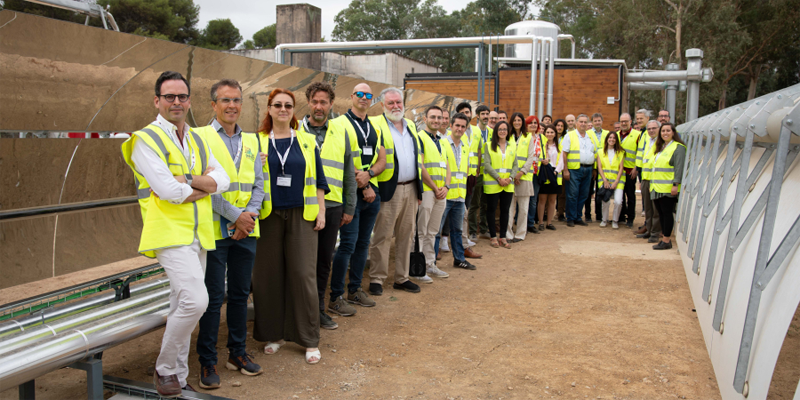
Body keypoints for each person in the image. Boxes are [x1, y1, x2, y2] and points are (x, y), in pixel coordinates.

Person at [121, 71, 230, 396]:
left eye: (182, 96)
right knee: (196, 301)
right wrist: (201, 185)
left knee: (181, 302)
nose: (177, 102)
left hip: (198, 232)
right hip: (169, 233)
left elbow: (222, 179)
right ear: (157, 101)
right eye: (169, 96)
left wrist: (188, 180)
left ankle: (178, 378)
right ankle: (166, 369)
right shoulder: (145, 140)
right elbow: (169, 191)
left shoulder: (196, 138)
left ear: (189, 100)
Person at [252, 88, 328, 365]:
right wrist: (254, 167)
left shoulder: (306, 141)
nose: (283, 109)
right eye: (277, 105)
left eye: (288, 105)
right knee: (267, 277)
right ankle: (274, 335)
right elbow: (242, 177)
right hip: (267, 216)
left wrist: (321, 211)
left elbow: (319, 180)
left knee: (302, 275)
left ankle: (309, 339)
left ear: (293, 110)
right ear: (269, 109)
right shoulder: (256, 142)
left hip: (302, 215)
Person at [195, 80, 263, 389]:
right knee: (212, 297)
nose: (232, 105)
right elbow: (204, 188)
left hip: (246, 230)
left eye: (236, 100)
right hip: (215, 230)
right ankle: (207, 360)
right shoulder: (200, 139)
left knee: (239, 294)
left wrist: (247, 217)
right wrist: (237, 217)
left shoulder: (251, 141)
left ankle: (237, 352)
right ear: (213, 105)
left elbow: (259, 184)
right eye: (225, 100)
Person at [302, 82, 363, 327]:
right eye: (315, 101)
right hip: (303, 206)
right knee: (301, 263)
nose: (319, 106)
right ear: (308, 102)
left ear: (331, 104)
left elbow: (350, 172)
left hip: (334, 205)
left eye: (323, 102)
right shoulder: (295, 130)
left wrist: (350, 207)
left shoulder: (342, 133)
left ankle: (317, 310)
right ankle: (300, 311)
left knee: (323, 262)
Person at [326, 83, 385, 317]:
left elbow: (383, 159)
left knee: (363, 244)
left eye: (368, 95)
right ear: (351, 97)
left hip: (372, 195)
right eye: (359, 94)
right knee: (347, 245)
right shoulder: (338, 124)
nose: (364, 97)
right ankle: (335, 296)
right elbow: (338, 157)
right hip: (350, 194)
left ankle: (355, 289)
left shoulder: (374, 126)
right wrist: (364, 184)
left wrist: (369, 176)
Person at [368, 87, 426, 294]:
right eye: (390, 103)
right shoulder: (375, 124)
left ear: (403, 103)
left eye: (398, 102)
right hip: (387, 190)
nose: (395, 106)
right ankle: (376, 278)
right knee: (382, 236)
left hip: (410, 188)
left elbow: (417, 158)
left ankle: (402, 277)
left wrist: (419, 191)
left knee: (406, 235)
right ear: (382, 105)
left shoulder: (410, 125)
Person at [434, 113, 478, 270]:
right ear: (450, 126)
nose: (460, 128)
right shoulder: (441, 143)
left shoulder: (466, 147)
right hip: (445, 194)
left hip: (460, 195)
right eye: (457, 125)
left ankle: (459, 259)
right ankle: (431, 262)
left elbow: (464, 171)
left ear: (466, 129)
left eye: (463, 126)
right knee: (437, 229)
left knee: (457, 230)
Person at [415, 105, 451, 282]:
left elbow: (448, 166)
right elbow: (420, 166)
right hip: (428, 191)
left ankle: (430, 263)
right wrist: (435, 188)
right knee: (421, 231)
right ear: (424, 118)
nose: (437, 120)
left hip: (441, 193)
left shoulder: (442, 141)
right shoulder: (420, 138)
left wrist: (446, 186)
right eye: (433, 117)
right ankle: (418, 268)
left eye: (439, 117)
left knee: (433, 231)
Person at [452, 103, 483, 259]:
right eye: (462, 112)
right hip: (457, 175)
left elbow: (477, 149)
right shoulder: (456, 131)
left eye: (468, 112)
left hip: (471, 173)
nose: (466, 114)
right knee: (458, 210)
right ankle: (451, 241)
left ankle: (463, 242)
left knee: (467, 208)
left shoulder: (476, 130)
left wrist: (476, 168)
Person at [482, 121, 518, 248]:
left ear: (508, 132)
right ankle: (493, 236)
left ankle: (503, 236)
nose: (502, 131)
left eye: (505, 129)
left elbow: (515, 165)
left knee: (505, 211)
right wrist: (499, 178)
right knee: (491, 210)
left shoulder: (512, 147)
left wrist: (510, 178)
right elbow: (486, 164)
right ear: (496, 131)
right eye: (500, 129)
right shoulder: (488, 145)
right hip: (493, 183)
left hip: (508, 184)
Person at [650, 122, 686, 250]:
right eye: (663, 131)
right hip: (656, 188)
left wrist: (676, 184)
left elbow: (679, 167)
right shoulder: (661, 147)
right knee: (661, 214)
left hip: (668, 188)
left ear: (673, 132)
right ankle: (665, 239)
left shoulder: (678, 147)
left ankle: (666, 240)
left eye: (668, 131)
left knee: (667, 213)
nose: (665, 133)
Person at [507, 113, 538, 242]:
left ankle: (520, 233)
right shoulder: (508, 137)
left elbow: (531, 157)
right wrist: (513, 175)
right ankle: (508, 234)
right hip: (509, 177)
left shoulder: (528, 137)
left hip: (524, 177)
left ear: (523, 122)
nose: (517, 122)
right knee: (509, 208)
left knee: (524, 208)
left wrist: (521, 173)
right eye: (515, 120)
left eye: (519, 120)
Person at [561, 114, 595, 227]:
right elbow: (564, 154)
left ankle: (578, 217)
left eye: (585, 122)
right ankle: (570, 217)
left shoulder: (591, 136)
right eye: (581, 122)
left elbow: (595, 153)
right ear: (576, 123)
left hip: (588, 168)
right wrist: (565, 170)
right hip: (574, 169)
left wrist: (594, 169)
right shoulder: (569, 136)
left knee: (584, 194)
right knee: (572, 194)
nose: (583, 124)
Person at [636, 120, 662, 243]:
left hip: (656, 179)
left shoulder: (662, 142)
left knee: (655, 207)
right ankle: (649, 230)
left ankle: (656, 233)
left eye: (654, 128)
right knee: (648, 207)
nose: (651, 130)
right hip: (646, 177)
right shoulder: (648, 141)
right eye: (649, 129)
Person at [468, 105, 492, 239]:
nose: (485, 116)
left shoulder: (492, 132)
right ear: (477, 116)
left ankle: (483, 229)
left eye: (487, 114)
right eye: (483, 114)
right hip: (476, 172)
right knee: (474, 203)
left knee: (485, 203)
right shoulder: (472, 131)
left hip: (488, 173)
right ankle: (472, 230)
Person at [617, 113, 642, 228]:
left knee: (630, 195)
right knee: (620, 195)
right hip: (618, 172)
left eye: (626, 121)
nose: (624, 123)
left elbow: (640, 152)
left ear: (631, 121)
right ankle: (621, 216)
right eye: (622, 121)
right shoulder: (616, 135)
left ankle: (630, 218)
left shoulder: (637, 135)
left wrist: (636, 168)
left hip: (630, 171)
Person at [596, 131, 625, 229]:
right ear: (607, 139)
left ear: (616, 140)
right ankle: (604, 220)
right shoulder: (600, 151)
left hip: (618, 181)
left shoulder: (621, 152)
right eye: (610, 137)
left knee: (618, 202)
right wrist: (605, 180)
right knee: (605, 201)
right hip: (605, 180)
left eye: (614, 138)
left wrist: (616, 181)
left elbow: (621, 168)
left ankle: (615, 220)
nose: (611, 139)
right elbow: (599, 167)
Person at [583, 113, 606, 223]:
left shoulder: (607, 133)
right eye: (595, 121)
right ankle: (587, 214)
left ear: (602, 121)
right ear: (591, 122)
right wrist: (594, 168)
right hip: (592, 166)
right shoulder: (587, 134)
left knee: (600, 191)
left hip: (604, 167)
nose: (597, 122)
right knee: (588, 191)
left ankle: (599, 215)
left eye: (599, 120)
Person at [537, 124, 561, 231]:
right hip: (544, 173)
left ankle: (549, 223)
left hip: (555, 173)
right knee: (542, 199)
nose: (549, 134)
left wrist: (556, 171)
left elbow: (562, 160)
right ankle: (541, 222)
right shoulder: (541, 145)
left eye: (552, 132)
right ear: (544, 133)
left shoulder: (559, 145)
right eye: (547, 132)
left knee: (552, 200)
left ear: (555, 134)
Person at [553, 118, 568, 222]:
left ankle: (560, 213)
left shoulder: (566, 138)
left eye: (561, 126)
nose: (559, 127)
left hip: (562, 169)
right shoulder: (550, 137)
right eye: (558, 125)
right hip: (551, 168)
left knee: (562, 193)